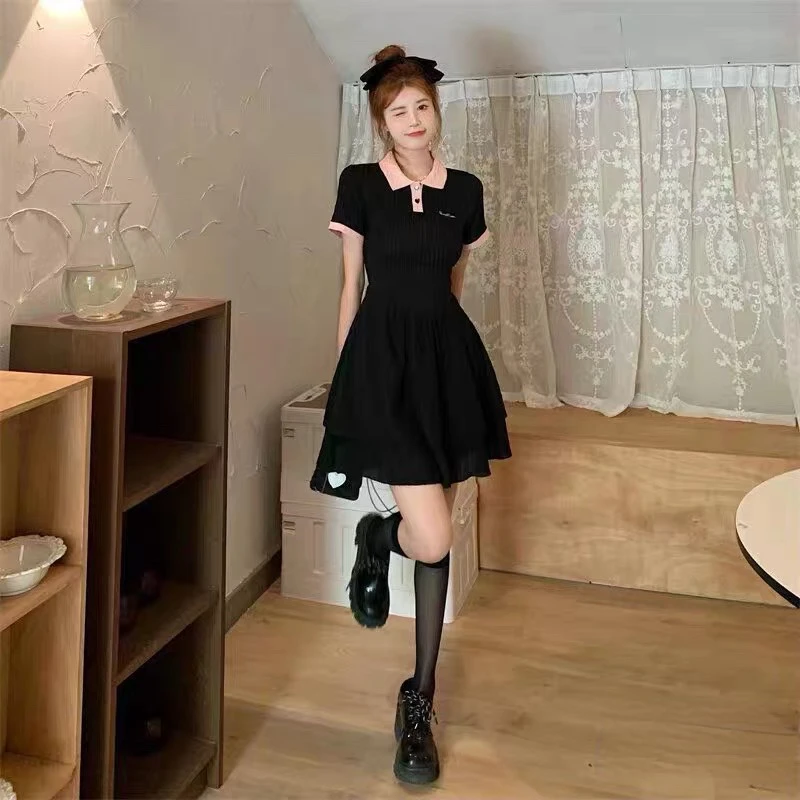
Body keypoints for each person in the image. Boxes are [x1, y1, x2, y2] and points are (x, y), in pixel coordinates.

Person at [310, 44, 511, 785]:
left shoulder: (467, 190)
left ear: (436, 109)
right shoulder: (361, 184)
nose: (414, 120)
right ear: (382, 123)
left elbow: (456, 279)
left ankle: (418, 699)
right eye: (399, 112)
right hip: (383, 366)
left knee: (439, 539)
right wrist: (345, 378)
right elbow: (350, 286)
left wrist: (444, 356)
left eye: (422, 105)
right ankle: (380, 533)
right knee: (429, 535)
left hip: (447, 366)